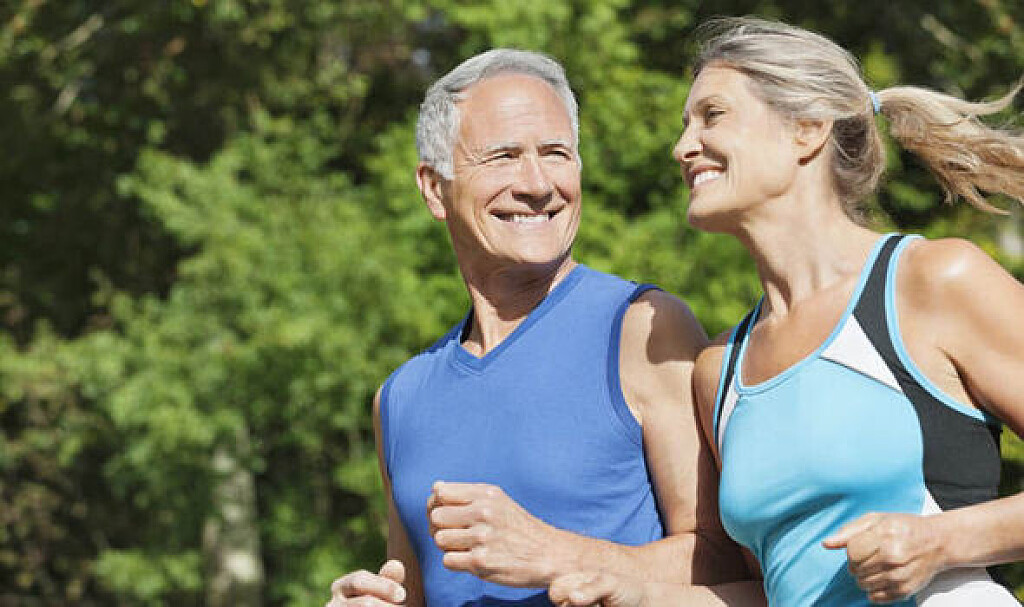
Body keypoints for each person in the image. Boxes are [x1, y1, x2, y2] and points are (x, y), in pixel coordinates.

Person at [550, 16, 1024, 607]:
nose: (683, 147)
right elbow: (774, 592)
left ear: (807, 129)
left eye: (712, 116)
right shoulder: (719, 370)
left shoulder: (931, 282)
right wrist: (639, 596)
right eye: (685, 125)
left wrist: (943, 541)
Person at [325, 49, 759, 606]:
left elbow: (727, 562)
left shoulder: (643, 329)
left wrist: (557, 554)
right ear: (434, 187)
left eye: (556, 154)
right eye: (503, 157)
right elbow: (418, 592)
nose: (536, 184)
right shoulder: (399, 398)